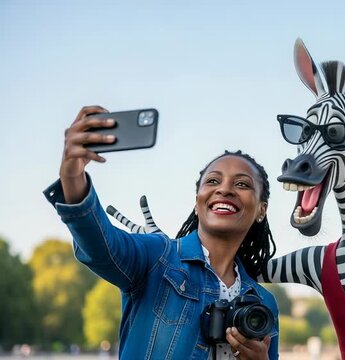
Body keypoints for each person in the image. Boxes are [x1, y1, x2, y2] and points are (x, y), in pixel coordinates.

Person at [43, 106, 279, 359]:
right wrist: (72, 175)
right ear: (197, 203)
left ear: (261, 210)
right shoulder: (157, 257)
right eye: (212, 181)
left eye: (242, 184)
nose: (225, 189)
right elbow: (99, 246)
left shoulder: (264, 303)